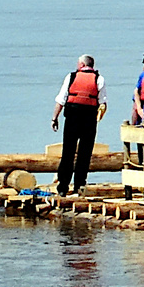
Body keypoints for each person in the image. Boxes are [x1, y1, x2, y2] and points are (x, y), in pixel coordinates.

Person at [50, 55, 108, 195]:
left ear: (81, 64)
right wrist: (97, 119)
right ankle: (79, 185)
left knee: (68, 153)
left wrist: (54, 118)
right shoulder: (99, 79)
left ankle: (63, 187)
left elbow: (61, 99)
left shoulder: (71, 77)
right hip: (89, 119)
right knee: (84, 154)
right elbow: (103, 103)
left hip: (72, 118)